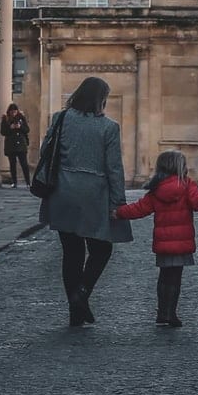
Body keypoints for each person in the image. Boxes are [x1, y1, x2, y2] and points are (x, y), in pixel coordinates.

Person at [35, 77, 131, 326]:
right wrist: (117, 203)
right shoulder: (109, 127)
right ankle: (82, 293)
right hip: (93, 195)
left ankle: (75, 311)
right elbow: (114, 168)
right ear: (101, 99)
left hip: (62, 192)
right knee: (102, 249)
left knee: (71, 252)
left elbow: (45, 151)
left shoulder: (60, 118)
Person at [115, 151, 198, 327]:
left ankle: (162, 312)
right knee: (175, 278)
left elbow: (139, 209)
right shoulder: (186, 185)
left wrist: (118, 213)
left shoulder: (156, 189)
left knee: (164, 276)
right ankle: (171, 313)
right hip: (182, 241)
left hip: (163, 242)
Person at [0, 103, 32, 186]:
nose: (13, 113)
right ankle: (14, 182)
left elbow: (27, 130)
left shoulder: (21, 118)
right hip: (11, 145)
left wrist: (20, 127)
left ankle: (28, 182)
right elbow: (3, 132)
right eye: (12, 112)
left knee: (24, 164)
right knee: (12, 164)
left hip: (21, 144)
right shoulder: (5, 119)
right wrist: (10, 128)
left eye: (15, 111)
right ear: (9, 112)